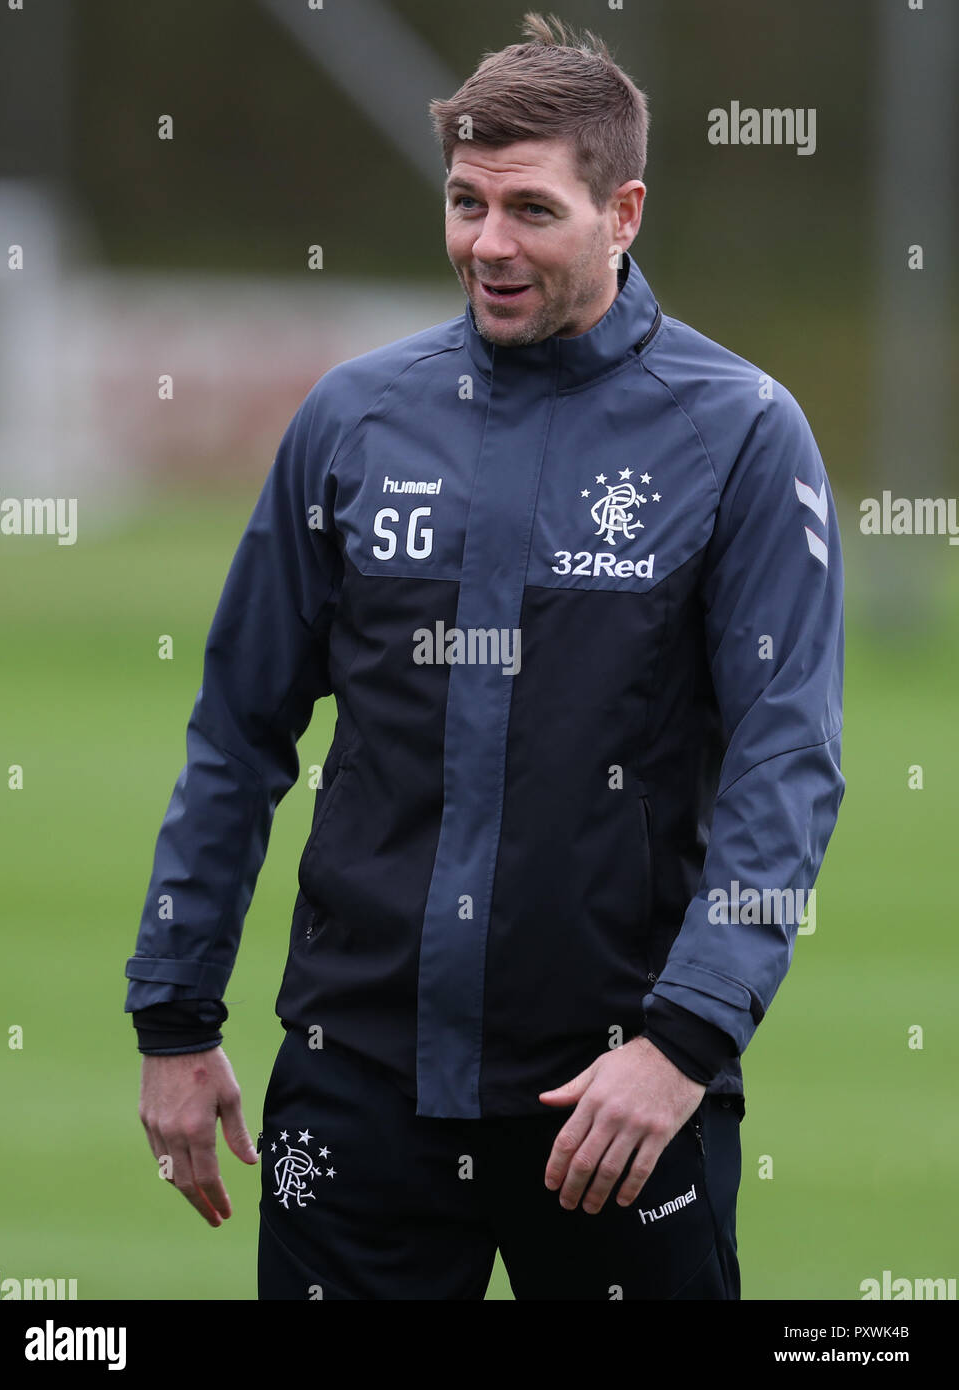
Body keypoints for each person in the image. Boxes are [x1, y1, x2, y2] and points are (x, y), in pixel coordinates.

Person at [126, 12, 844, 1301]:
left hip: (618, 1103)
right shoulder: (354, 418)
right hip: (355, 1090)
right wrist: (175, 1019)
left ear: (623, 212)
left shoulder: (740, 433)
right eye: (465, 202)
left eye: (530, 209)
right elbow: (238, 734)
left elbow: (786, 767)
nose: (487, 244)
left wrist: (683, 1042)